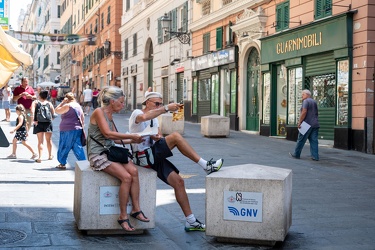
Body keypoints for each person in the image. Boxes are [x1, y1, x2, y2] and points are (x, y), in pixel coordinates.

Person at [129, 87, 224, 232]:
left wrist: (156, 137)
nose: (159, 106)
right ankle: (205, 165)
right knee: (175, 137)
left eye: (161, 104)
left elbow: (158, 135)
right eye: (157, 104)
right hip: (142, 157)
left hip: (153, 157)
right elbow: (144, 118)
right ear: (147, 102)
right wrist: (167, 108)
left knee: (179, 182)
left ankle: (190, 221)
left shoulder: (155, 119)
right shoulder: (137, 113)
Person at [87, 86, 149, 232]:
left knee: (133, 171)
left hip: (110, 151)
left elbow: (115, 138)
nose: (123, 105)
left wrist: (136, 140)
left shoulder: (110, 115)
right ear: (112, 101)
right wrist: (131, 136)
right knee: (126, 177)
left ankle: (136, 209)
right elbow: (108, 134)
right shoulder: (99, 112)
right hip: (98, 154)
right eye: (121, 102)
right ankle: (122, 216)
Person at [54, 92, 86, 170]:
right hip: (78, 128)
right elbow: (82, 117)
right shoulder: (78, 106)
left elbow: (56, 110)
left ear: (66, 99)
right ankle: (83, 162)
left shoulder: (67, 105)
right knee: (77, 146)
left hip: (67, 129)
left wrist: (62, 102)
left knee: (64, 146)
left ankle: (62, 163)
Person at [289, 89, 320, 161]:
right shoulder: (314, 102)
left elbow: (304, 111)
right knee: (314, 140)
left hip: (306, 124)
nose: (302, 96)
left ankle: (296, 154)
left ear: (307, 95)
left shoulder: (306, 101)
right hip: (315, 124)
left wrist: (300, 122)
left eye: (303, 94)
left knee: (301, 139)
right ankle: (315, 156)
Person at [32, 90, 56, 163]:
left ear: (39, 96)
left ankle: (40, 157)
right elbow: (53, 114)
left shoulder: (35, 102)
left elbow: (32, 112)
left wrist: (33, 119)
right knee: (49, 140)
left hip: (38, 123)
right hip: (48, 123)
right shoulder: (49, 103)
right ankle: (50, 155)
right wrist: (50, 119)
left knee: (40, 141)